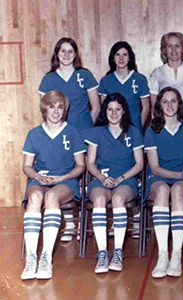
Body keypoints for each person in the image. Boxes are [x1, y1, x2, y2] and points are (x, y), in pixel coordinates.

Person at [39, 37, 100, 241]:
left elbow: (96, 106)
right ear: (57, 54)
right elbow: (45, 109)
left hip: (84, 133)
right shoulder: (48, 79)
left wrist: (86, 129)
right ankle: (70, 222)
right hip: (59, 134)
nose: (66, 55)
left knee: (84, 174)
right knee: (66, 172)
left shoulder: (84, 75)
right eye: (62, 51)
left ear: (76, 54)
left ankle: (84, 219)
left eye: (70, 51)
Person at [21, 90, 86, 280]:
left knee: (51, 197)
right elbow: (27, 166)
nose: (56, 111)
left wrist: (62, 177)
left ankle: (46, 257)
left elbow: (81, 165)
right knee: (34, 197)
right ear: (45, 109)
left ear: (65, 110)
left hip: (65, 181)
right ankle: (31, 258)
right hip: (40, 180)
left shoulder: (72, 132)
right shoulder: (34, 134)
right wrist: (38, 177)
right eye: (51, 107)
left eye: (60, 107)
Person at [144, 87, 183, 278]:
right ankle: (163, 254)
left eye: (173, 101)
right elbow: (154, 168)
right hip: (160, 177)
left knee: (178, 190)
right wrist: (182, 175)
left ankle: (176, 253)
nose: (170, 105)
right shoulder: (152, 130)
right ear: (159, 105)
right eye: (165, 101)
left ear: (179, 104)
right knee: (162, 190)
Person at [84, 93, 144, 273]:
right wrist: (102, 178)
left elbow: (140, 163)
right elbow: (90, 163)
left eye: (118, 109)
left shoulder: (133, 131)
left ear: (124, 111)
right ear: (105, 111)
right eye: (110, 109)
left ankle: (117, 251)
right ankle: (102, 253)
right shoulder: (97, 132)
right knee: (99, 201)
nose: (114, 113)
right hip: (102, 179)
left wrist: (121, 178)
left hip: (125, 180)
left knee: (118, 199)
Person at [99, 41, 150, 134]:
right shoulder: (105, 81)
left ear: (130, 57)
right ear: (113, 58)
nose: (121, 58)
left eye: (125, 55)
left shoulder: (140, 79)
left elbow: (146, 107)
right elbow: (104, 109)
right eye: (118, 55)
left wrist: (138, 128)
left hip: (134, 129)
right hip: (112, 131)